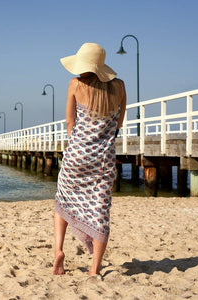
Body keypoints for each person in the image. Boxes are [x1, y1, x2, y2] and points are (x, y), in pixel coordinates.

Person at [53, 43, 126, 276]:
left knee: (63, 200)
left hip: (76, 154)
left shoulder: (75, 84)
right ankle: (94, 268)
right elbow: (118, 124)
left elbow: (69, 122)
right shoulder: (119, 87)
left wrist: (77, 146)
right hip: (103, 157)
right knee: (100, 209)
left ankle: (58, 251)